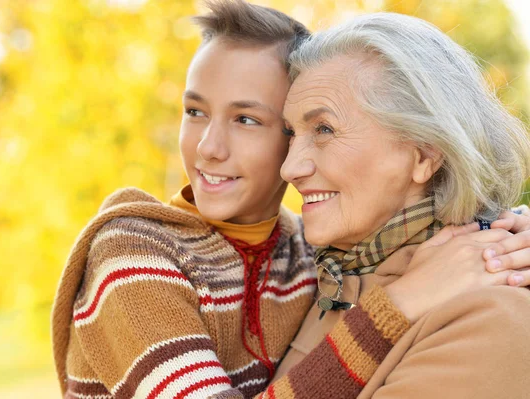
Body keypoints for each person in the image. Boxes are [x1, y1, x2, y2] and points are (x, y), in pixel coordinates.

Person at [51, 2, 530, 398]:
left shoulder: (306, 259)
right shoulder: (135, 252)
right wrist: (401, 302)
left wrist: (506, 231)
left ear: (425, 155)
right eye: (194, 111)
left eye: (249, 120)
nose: (208, 147)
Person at [266, 12, 530, 398]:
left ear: (424, 155)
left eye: (324, 129)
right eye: (292, 134)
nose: (289, 168)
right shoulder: (311, 278)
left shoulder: (492, 318)